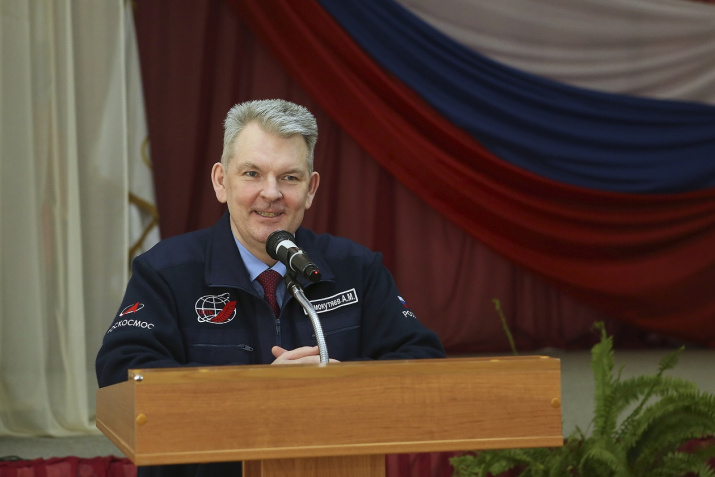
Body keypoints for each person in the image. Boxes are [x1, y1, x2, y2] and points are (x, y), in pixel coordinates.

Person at [95, 99, 445, 476]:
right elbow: (123, 375)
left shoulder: (357, 269)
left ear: (310, 189)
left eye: (289, 178)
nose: (271, 193)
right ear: (221, 181)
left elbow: (424, 366)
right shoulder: (165, 270)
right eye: (252, 173)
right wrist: (260, 392)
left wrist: (340, 385)